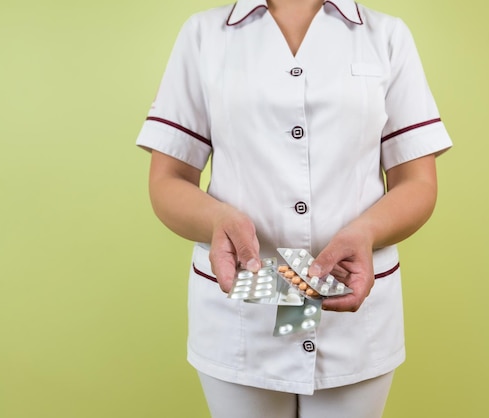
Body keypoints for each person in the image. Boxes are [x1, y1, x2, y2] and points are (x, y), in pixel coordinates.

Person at [136, 0, 452, 416]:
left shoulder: (386, 36)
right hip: (246, 305)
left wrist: (366, 232)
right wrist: (217, 219)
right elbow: (167, 180)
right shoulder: (204, 36)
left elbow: (418, 183)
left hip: (349, 307)